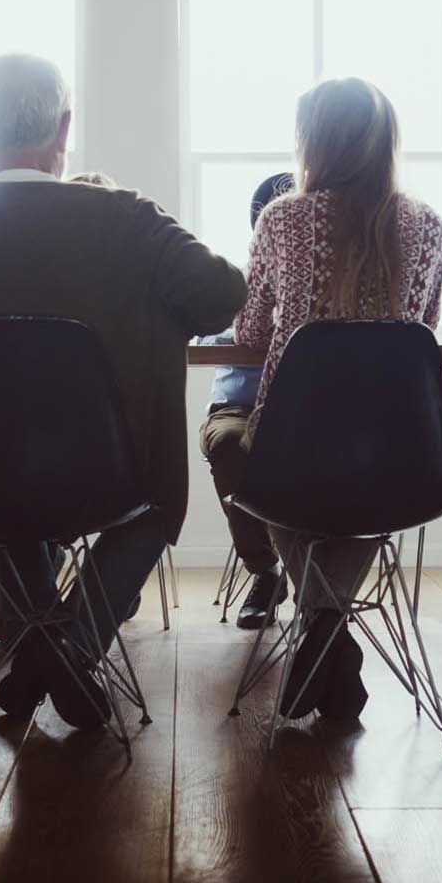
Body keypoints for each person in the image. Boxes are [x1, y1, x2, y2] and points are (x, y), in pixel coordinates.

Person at [0, 54, 245, 727]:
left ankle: (41, 648)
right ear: (64, 128)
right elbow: (224, 295)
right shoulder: (129, 219)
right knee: (154, 509)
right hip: (114, 476)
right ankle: (70, 648)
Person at [236, 78, 442, 720]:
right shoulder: (428, 225)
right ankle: (328, 631)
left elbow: (249, 330)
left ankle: (322, 628)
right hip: (397, 446)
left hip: (291, 442)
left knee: (260, 473)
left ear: (313, 142)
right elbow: (425, 330)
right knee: (368, 496)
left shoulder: (280, 218)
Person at [198, 172, 295, 631]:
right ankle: (266, 570)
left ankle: (319, 585)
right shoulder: (232, 279)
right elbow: (199, 328)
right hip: (236, 408)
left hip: (304, 405)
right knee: (229, 444)